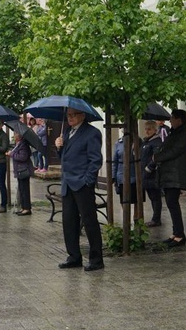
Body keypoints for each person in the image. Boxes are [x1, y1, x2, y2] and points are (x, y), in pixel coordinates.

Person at [54, 107, 105, 271]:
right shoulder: (67, 132)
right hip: (67, 184)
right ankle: (74, 257)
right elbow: (64, 158)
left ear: (82, 115)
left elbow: (95, 160)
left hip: (82, 184)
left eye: (73, 115)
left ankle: (96, 259)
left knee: (89, 221)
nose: (70, 118)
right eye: (68, 115)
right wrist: (59, 147)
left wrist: (87, 181)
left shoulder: (91, 133)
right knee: (69, 222)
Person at [151, 109, 186, 248]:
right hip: (169, 173)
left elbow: (174, 151)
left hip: (176, 174)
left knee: (172, 203)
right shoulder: (174, 133)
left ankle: (180, 235)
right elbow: (166, 147)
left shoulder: (184, 135)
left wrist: (158, 157)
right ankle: (176, 233)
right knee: (170, 203)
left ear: (179, 120)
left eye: (172, 118)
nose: (170, 121)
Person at [140, 120, 163, 227]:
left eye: (149, 129)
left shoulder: (156, 142)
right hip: (146, 175)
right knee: (152, 197)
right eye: (146, 129)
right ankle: (155, 218)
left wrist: (148, 169)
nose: (147, 131)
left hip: (153, 175)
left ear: (155, 130)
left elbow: (156, 158)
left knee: (155, 197)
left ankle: (156, 219)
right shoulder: (147, 141)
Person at [112, 130, 139, 206]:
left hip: (134, 176)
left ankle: (136, 217)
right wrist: (113, 176)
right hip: (121, 177)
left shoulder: (137, 141)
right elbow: (115, 161)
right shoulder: (118, 143)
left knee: (135, 199)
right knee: (123, 200)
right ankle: (126, 217)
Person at [10, 130, 33, 216]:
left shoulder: (23, 144)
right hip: (20, 170)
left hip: (24, 170)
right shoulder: (18, 143)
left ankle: (27, 208)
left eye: (16, 133)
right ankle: (23, 207)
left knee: (25, 190)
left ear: (20, 135)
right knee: (21, 189)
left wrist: (12, 154)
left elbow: (23, 157)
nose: (14, 135)